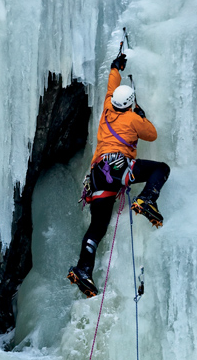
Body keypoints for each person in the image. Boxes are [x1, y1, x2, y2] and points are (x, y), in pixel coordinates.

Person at [68, 52, 170, 297]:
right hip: (118, 167)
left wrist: (116, 67)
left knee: (98, 226)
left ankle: (83, 269)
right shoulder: (133, 118)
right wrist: (142, 116)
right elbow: (152, 134)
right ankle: (147, 199)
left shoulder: (106, 107)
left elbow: (111, 85)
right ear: (130, 103)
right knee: (161, 168)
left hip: (97, 176)